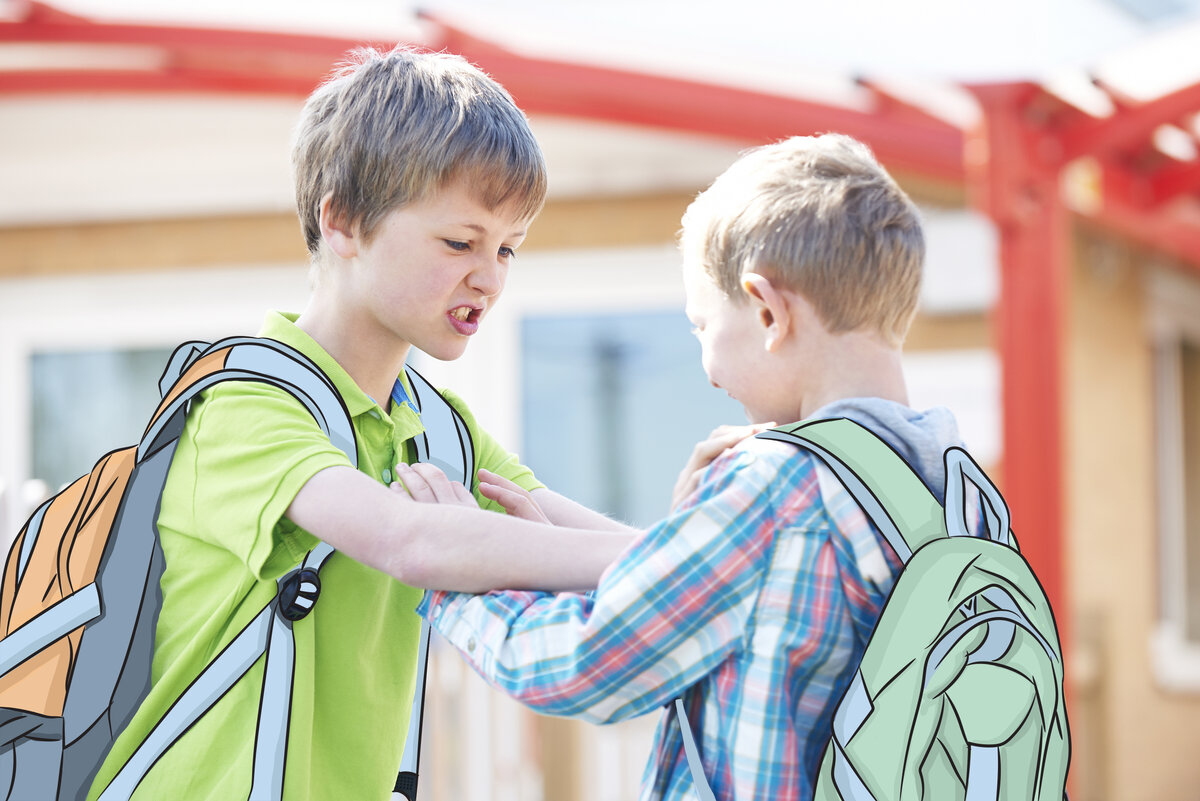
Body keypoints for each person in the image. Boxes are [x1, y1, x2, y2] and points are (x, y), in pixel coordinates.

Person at [85, 46, 637, 801]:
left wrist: (717, 551)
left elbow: (588, 542)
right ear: (341, 219)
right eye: (460, 242)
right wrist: (693, 563)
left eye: (508, 248)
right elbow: (407, 538)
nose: (491, 276)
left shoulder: (436, 426)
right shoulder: (244, 402)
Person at [409, 133, 975, 801]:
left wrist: (449, 568)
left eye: (703, 326)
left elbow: (583, 662)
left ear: (768, 310)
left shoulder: (779, 491)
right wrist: (677, 539)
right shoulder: (956, 486)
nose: (706, 370)